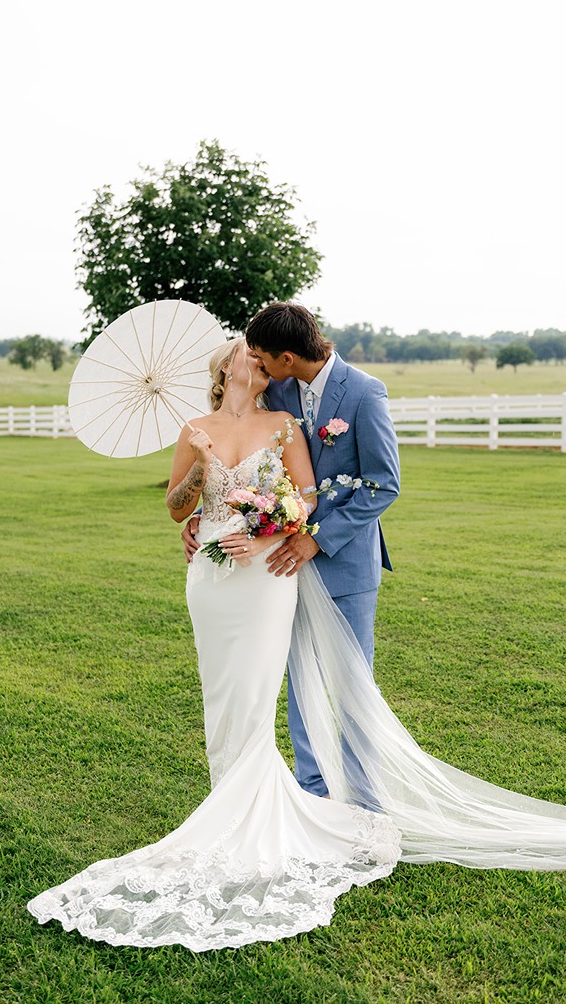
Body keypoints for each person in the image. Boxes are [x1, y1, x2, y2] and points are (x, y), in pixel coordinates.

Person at [27, 336, 566, 952]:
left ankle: (306, 807)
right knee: (221, 694)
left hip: (268, 572)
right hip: (212, 581)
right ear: (227, 373)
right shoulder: (194, 427)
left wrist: (259, 528)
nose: (258, 362)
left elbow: (304, 497)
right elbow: (176, 510)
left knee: (264, 687)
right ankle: (232, 809)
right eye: (247, 358)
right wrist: (197, 467)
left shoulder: (287, 424)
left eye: (261, 356)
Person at [182, 302, 400, 800]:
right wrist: (208, 516)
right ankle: (314, 793)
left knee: (350, 685)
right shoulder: (276, 387)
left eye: (261, 355)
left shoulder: (365, 393)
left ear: (285, 357)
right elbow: (249, 461)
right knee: (299, 679)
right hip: (275, 566)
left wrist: (315, 537)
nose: (253, 363)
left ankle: (365, 804)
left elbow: (384, 485)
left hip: (342, 559)